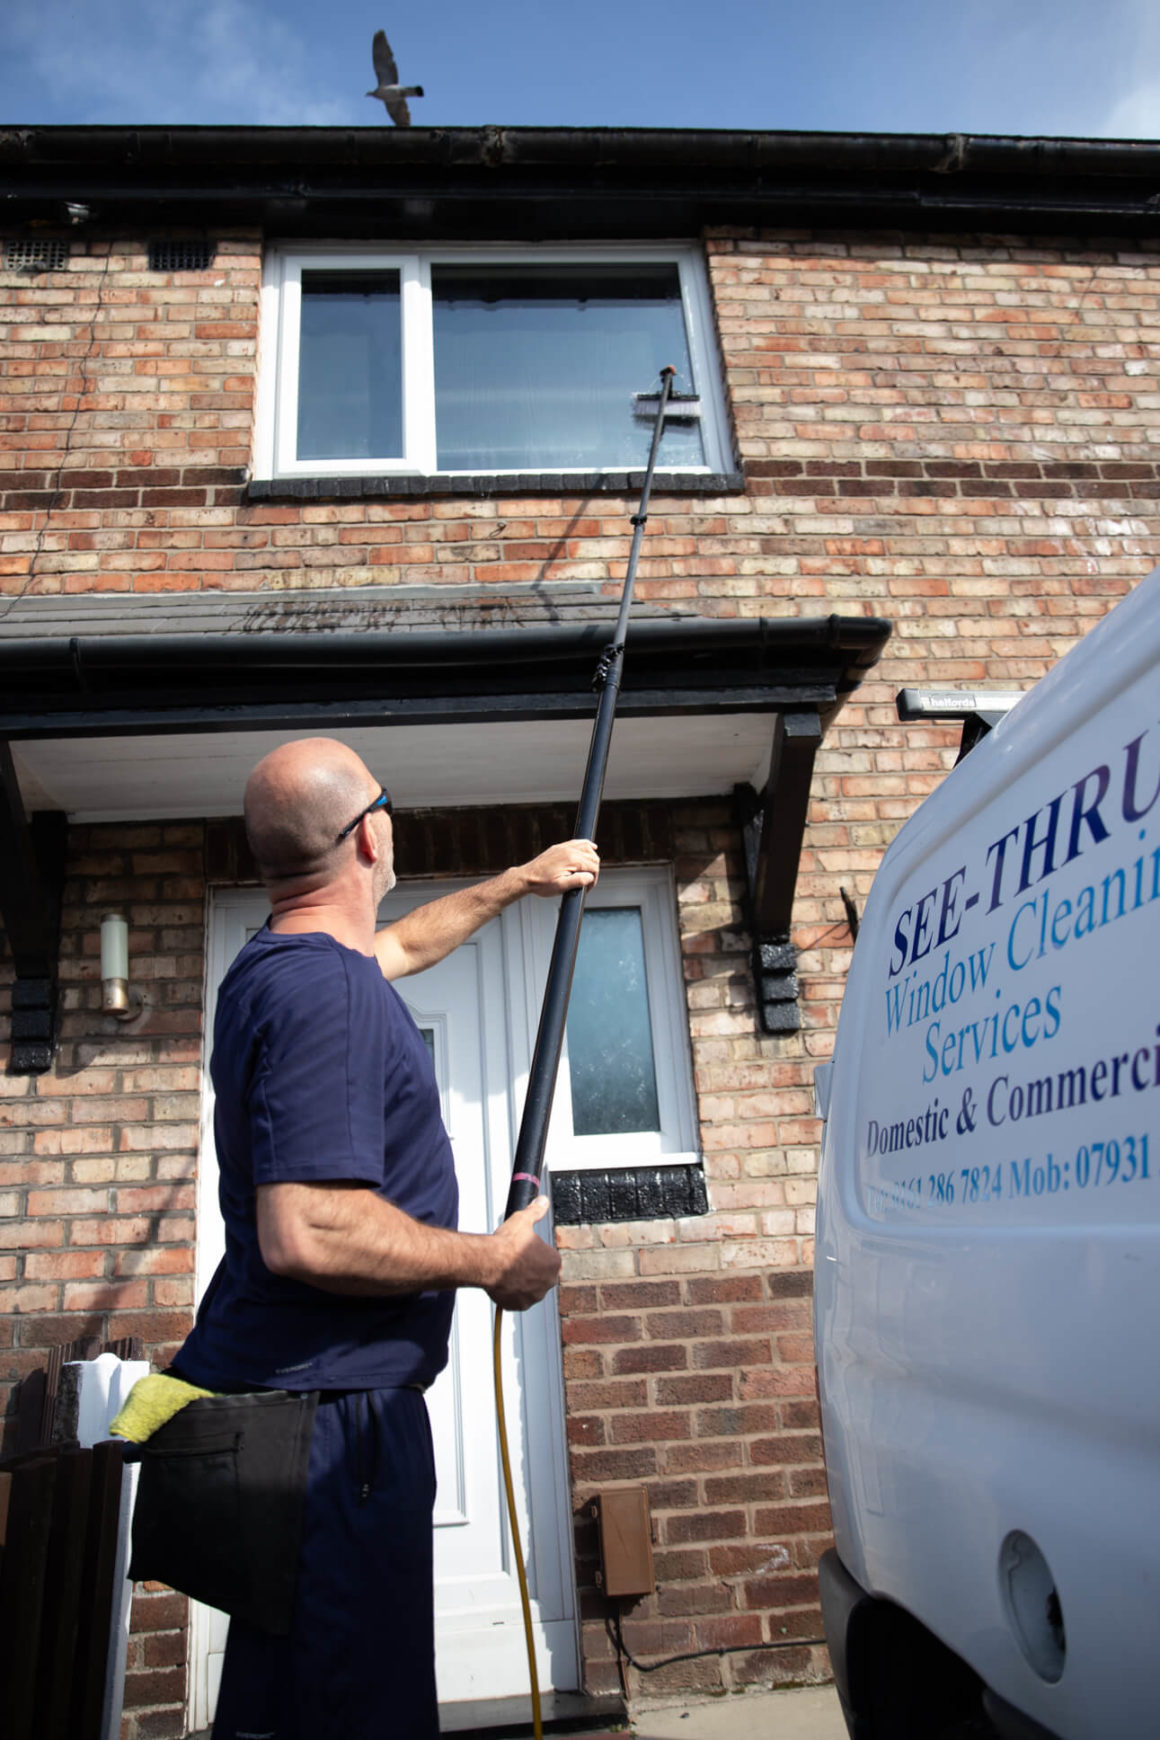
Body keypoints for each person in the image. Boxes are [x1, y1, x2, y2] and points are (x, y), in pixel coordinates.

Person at [171, 736, 600, 1740]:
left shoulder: (292, 967)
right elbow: (306, 1228)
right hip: (335, 1433)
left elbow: (399, 948)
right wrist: (488, 1259)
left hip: (308, 1420)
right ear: (370, 832)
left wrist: (518, 881)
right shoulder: (322, 992)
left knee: (300, 1704)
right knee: (350, 1710)